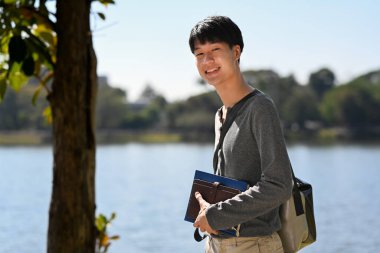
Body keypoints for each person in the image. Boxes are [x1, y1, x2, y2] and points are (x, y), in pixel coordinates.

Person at [189, 16, 293, 253]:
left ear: (236, 52)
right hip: (217, 243)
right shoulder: (220, 115)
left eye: (215, 50)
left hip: (253, 245)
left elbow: (279, 184)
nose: (207, 60)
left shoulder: (260, 108)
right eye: (199, 54)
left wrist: (215, 214)